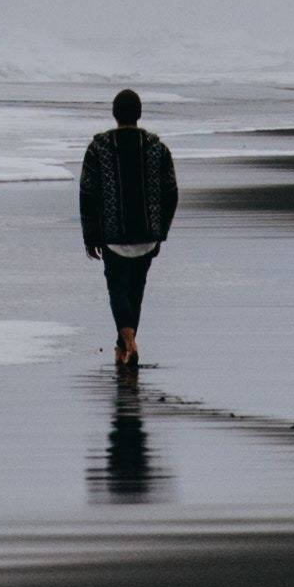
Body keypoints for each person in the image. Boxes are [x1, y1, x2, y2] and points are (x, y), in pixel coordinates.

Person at [76, 85, 178, 380]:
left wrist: (89, 235)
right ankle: (124, 346)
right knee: (136, 291)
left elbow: (87, 194)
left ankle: (128, 341)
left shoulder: (99, 148)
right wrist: (161, 231)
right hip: (147, 235)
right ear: (139, 114)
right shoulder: (158, 148)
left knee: (117, 289)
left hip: (113, 235)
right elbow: (171, 192)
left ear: (114, 114)